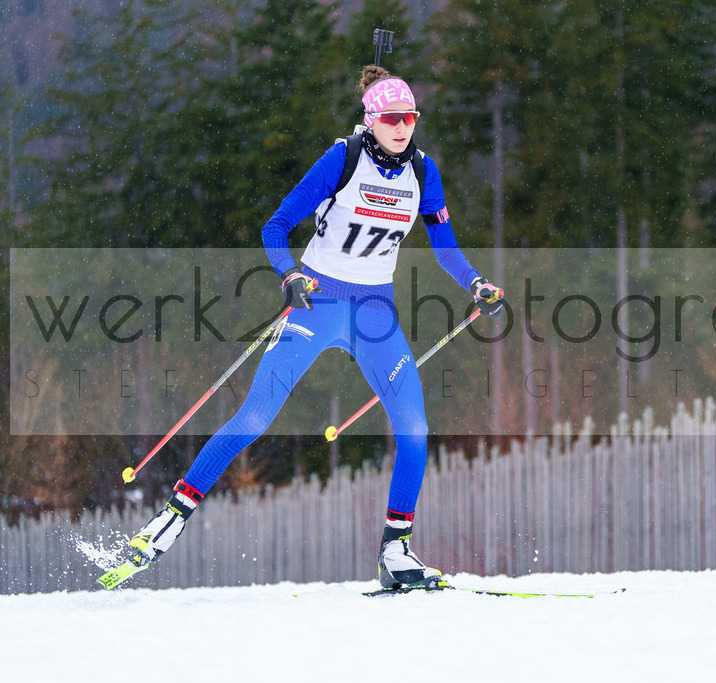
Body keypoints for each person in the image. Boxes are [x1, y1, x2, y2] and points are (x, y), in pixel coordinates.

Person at [124, 65, 504, 590]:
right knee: (256, 414)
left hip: (375, 312)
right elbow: (276, 225)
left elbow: (445, 245)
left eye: (410, 117)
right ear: (371, 121)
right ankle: (171, 516)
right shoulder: (342, 159)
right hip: (319, 302)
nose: (402, 126)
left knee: (414, 430)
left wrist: (477, 283)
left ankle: (395, 551)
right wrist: (290, 275)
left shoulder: (424, 172)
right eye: (392, 117)